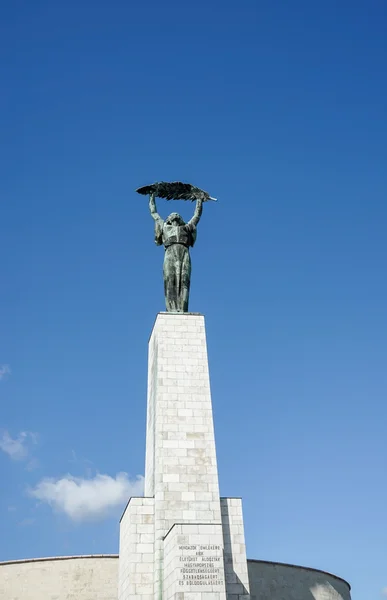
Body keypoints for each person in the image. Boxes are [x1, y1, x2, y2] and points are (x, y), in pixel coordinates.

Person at [149, 193, 203, 312]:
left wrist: (199, 200)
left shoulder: (186, 228)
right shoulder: (164, 226)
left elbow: (197, 216)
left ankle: (182, 308)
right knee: (170, 280)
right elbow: (154, 214)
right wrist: (151, 197)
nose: (175, 214)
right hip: (170, 253)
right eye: (172, 214)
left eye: (177, 214)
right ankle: (171, 308)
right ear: (169, 219)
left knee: (184, 280)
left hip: (183, 253)